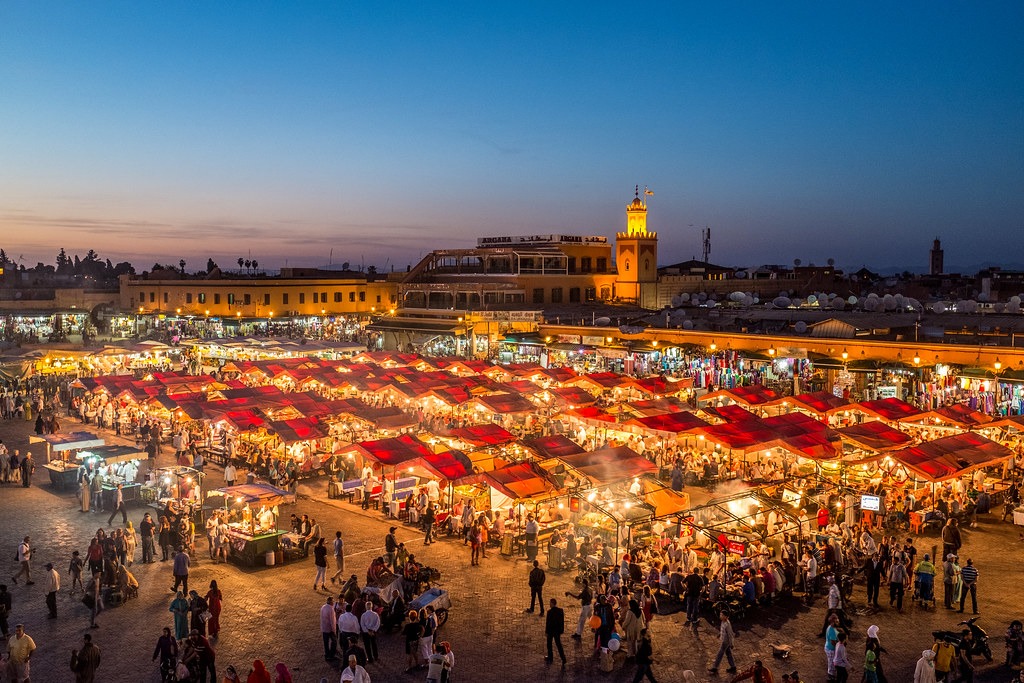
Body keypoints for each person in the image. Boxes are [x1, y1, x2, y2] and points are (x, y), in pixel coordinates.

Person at [545, 597, 566, 666]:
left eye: (550, 603)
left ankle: (550, 657)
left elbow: (547, 623)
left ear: (552, 603)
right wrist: (561, 630)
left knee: (549, 644)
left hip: (551, 631)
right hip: (557, 631)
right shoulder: (560, 611)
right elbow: (562, 621)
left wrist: (546, 632)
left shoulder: (549, 612)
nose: (549, 604)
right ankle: (563, 658)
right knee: (558, 645)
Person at [359, 596, 380, 664]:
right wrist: (373, 630)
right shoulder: (375, 614)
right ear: (372, 606)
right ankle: (376, 656)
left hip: (366, 632)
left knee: (367, 646)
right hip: (373, 632)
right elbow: (378, 623)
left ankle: (370, 658)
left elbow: (362, 624)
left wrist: (367, 631)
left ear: (366, 607)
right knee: (374, 644)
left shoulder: (363, 615)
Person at [320, 596, 338, 660]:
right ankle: (331, 655)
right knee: (334, 641)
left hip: (324, 627)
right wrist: (334, 630)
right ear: (330, 602)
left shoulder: (323, 607)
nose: (333, 602)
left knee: (326, 642)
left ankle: (326, 654)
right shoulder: (331, 609)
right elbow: (332, 621)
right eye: (332, 601)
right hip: (329, 629)